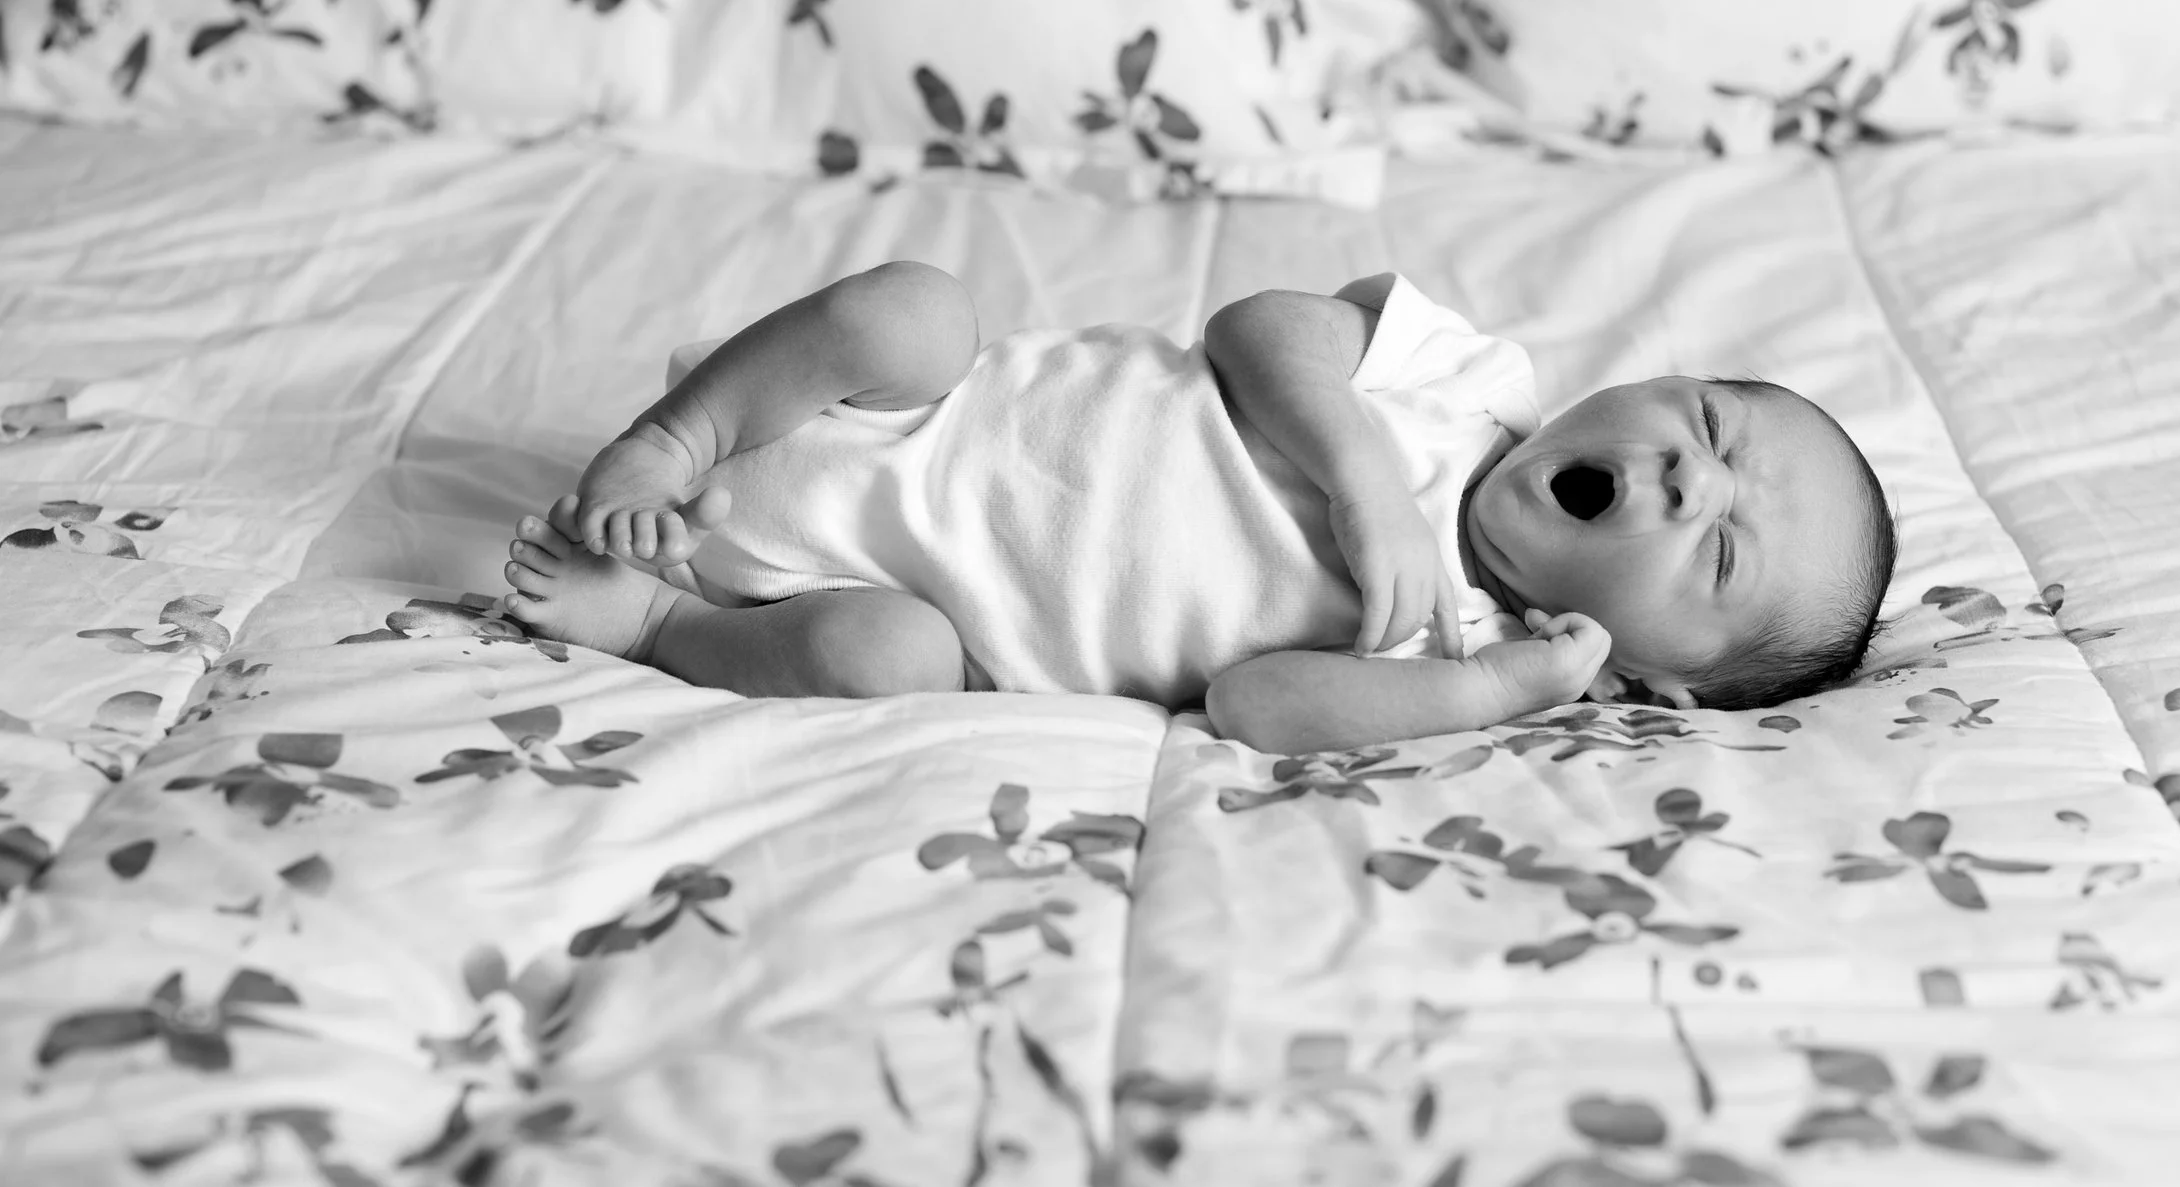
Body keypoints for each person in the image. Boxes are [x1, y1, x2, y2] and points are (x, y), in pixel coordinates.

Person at [497, 261, 1893, 753]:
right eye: (1708, 425)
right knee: (915, 308)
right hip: (913, 408)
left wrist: (1488, 703)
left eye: (1715, 545)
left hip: (907, 598)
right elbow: (1258, 325)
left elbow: (1255, 708)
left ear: (1651, 679)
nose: (1688, 473)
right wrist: (1360, 479)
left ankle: (663, 618)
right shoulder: (1472, 385)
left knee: (886, 668)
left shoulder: (1460, 656)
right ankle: (671, 441)